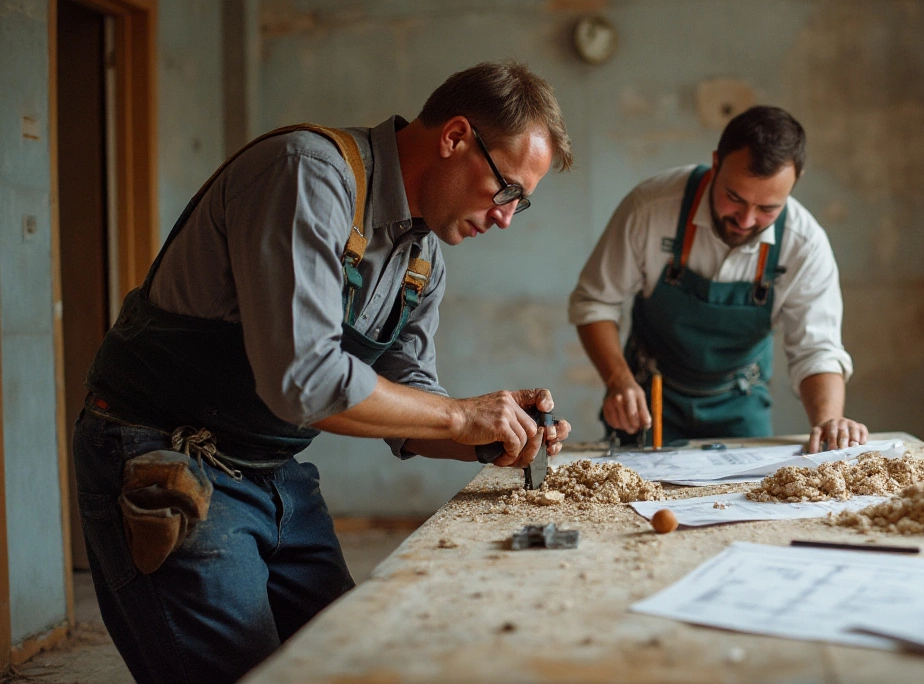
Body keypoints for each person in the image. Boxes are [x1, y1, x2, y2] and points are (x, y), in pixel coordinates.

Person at [73, 61, 573, 684]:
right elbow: (303, 381)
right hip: (166, 455)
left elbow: (408, 412)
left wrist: (490, 436)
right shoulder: (308, 173)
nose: (504, 217)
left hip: (270, 465)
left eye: (519, 206)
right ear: (455, 138)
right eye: (507, 191)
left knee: (344, 660)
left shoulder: (422, 259)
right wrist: (462, 413)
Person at [569, 105, 866, 453]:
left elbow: (817, 350)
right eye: (734, 198)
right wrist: (619, 380)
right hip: (651, 397)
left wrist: (828, 421)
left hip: (741, 398)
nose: (746, 220)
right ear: (715, 164)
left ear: (793, 186)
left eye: (768, 208)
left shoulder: (805, 244)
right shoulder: (650, 208)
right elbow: (595, 302)